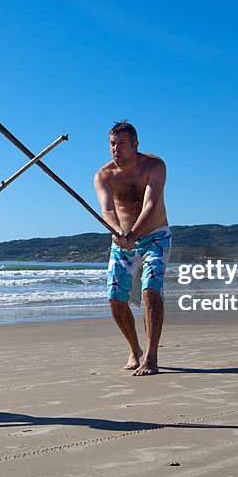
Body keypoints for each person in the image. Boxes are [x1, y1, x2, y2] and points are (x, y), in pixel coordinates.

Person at [93, 121, 171, 376]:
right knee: (115, 299)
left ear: (135, 144)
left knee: (151, 292)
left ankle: (151, 356)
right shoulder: (104, 175)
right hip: (122, 240)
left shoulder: (155, 166)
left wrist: (134, 234)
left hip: (155, 237)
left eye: (122, 144)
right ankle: (134, 349)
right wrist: (119, 233)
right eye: (112, 144)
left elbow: (151, 205)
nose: (116, 149)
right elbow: (107, 210)